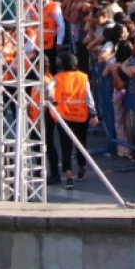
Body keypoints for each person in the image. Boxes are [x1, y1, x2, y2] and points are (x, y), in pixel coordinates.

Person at [51, 53, 97, 190]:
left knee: (66, 146)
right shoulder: (83, 77)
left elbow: (48, 89)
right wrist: (93, 113)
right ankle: (81, 167)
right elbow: (89, 96)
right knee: (81, 143)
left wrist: (53, 101)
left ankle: (69, 177)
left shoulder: (58, 78)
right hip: (80, 115)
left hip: (64, 115)